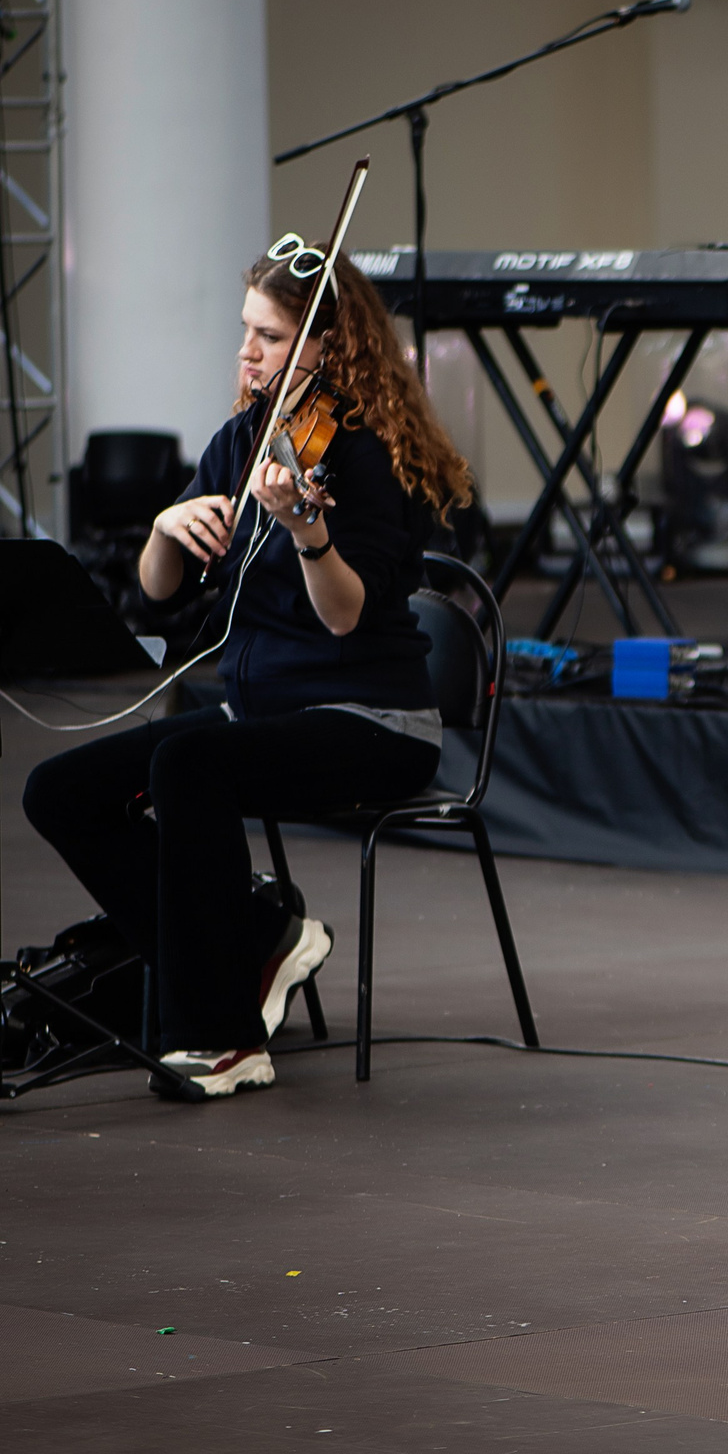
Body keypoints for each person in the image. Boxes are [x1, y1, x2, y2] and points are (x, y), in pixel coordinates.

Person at [23, 243, 473, 1099]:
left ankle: (225, 1036)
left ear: (327, 347)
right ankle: (254, 937)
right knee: (58, 789)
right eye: (245, 333)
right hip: (262, 714)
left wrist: (309, 532)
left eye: (269, 336)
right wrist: (166, 526)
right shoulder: (242, 442)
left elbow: (343, 614)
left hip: (373, 718)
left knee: (188, 762)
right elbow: (158, 592)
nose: (247, 353)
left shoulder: (367, 456)